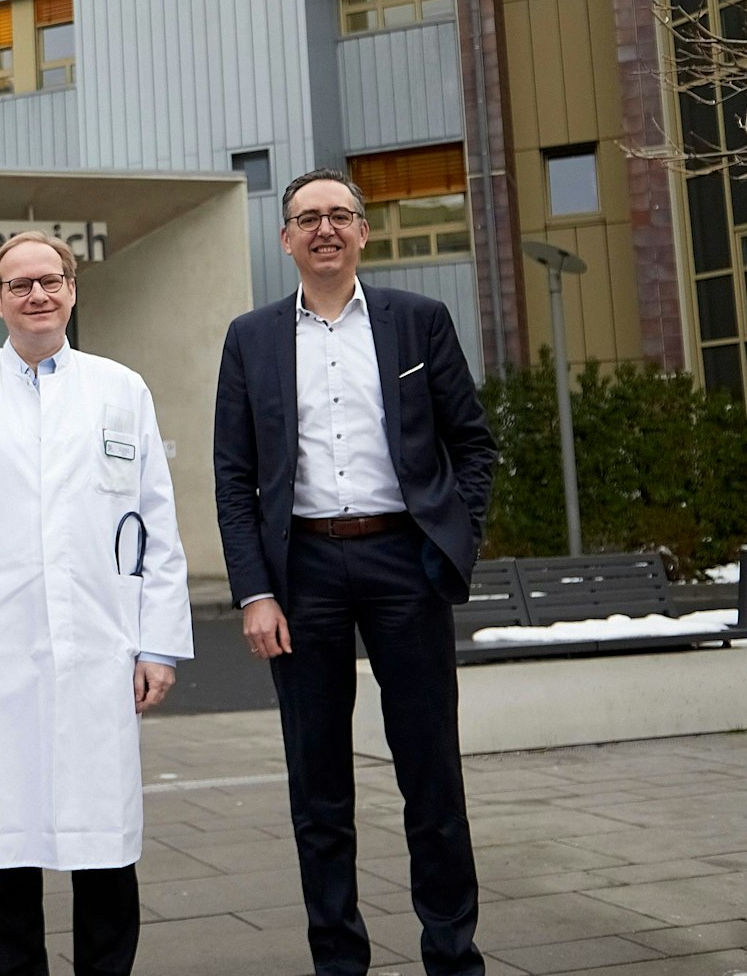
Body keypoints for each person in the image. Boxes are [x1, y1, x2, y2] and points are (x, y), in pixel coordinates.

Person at [213, 169, 497, 976]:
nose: (325, 229)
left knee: (431, 774)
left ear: (364, 231)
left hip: (404, 560)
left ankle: (451, 953)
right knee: (319, 788)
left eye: (340, 214)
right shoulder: (252, 336)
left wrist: (454, 536)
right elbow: (233, 475)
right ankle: (338, 959)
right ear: (286, 239)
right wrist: (256, 590)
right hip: (301, 572)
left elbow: (472, 444)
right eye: (308, 218)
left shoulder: (419, 322)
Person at [0, 231, 194, 976]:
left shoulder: (119, 387)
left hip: (101, 645)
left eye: (52, 279)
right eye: (20, 283)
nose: (38, 294)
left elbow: (156, 522)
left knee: (104, 837)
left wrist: (157, 642)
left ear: (73, 289)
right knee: (8, 836)